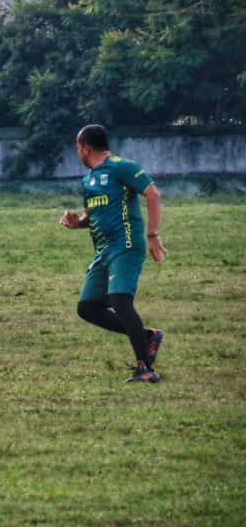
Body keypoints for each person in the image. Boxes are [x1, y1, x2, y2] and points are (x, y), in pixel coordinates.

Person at [59, 124, 167, 383]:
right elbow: (91, 215)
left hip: (125, 246)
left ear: (86, 148)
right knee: (87, 307)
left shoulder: (121, 167)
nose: (77, 152)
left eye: (77, 147)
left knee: (120, 301)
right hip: (103, 251)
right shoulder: (88, 179)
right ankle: (147, 336)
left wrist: (152, 234)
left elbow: (152, 193)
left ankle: (145, 369)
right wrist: (77, 222)